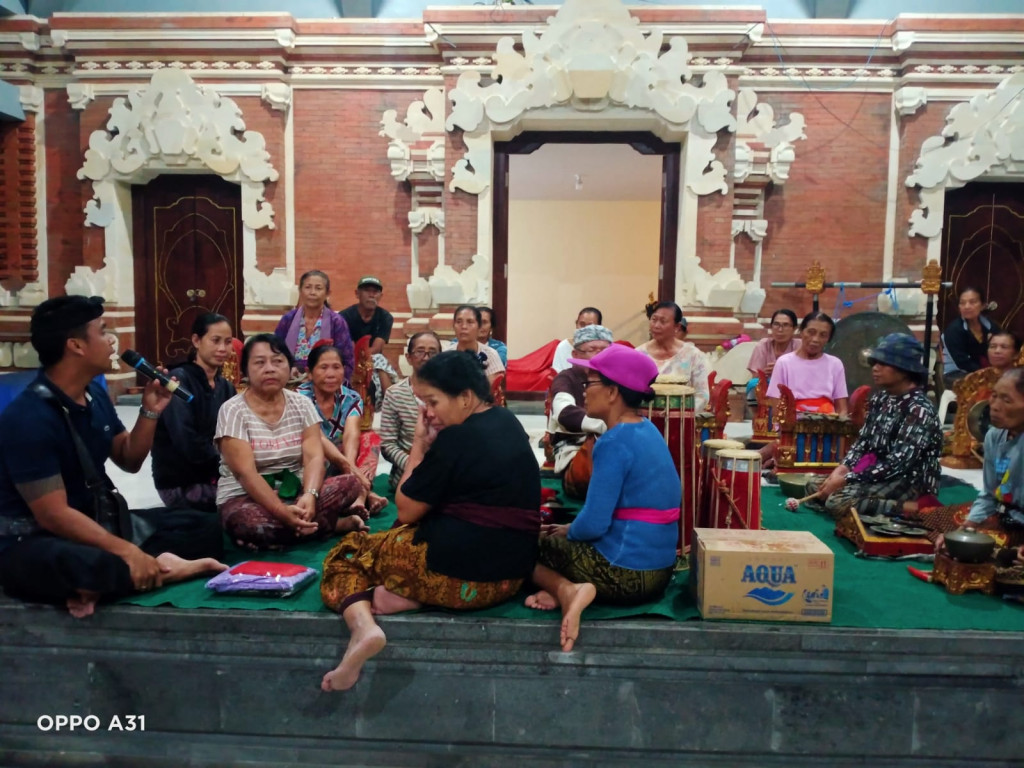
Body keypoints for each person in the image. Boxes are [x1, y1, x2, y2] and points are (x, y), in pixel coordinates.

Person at [319, 351, 541, 691]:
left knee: (347, 553)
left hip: (457, 579)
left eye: (433, 402)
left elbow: (406, 510)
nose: (430, 413)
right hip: (507, 582)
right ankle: (411, 597)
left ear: (466, 397)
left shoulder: (457, 437)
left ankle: (364, 627)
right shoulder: (507, 421)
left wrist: (420, 443)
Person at [0, 296, 226, 618]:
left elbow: (129, 458)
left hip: (97, 524)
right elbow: (54, 516)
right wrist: (128, 551)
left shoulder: (94, 393)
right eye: (103, 332)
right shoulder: (29, 417)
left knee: (205, 527)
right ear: (76, 345)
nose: (111, 341)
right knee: (89, 565)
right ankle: (159, 569)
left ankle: (123, 573)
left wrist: (151, 409)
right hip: (37, 539)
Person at [525, 344, 680, 652]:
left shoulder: (612, 441)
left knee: (521, 547)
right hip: (660, 571)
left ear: (612, 393)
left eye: (590, 382)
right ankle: (561, 590)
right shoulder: (647, 429)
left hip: (626, 574)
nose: (584, 389)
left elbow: (594, 524)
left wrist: (570, 531)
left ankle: (568, 591)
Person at [215, 334, 367, 550]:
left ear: (289, 367)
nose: (269, 368)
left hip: (297, 491)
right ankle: (327, 526)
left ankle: (283, 532)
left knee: (350, 483)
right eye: (259, 362)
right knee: (247, 522)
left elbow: (314, 457)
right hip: (245, 496)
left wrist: (310, 495)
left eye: (277, 361)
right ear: (245, 371)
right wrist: (280, 511)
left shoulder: (301, 403)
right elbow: (245, 474)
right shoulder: (232, 410)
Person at [805, 333, 942, 520]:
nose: (875, 369)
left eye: (883, 364)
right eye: (875, 363)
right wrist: (843, 468)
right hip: (875, 473)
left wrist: (847, 480)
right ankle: (857, 502)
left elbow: (897, 463)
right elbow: (863, 442)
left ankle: (915, 507)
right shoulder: (881, 398)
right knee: (814, 485)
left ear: (904, 369)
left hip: (907, 480)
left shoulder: (919, 409)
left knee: (837, 500)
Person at [933, 369, 1024, 566]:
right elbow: (990, 494)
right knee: (941, 521)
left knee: (1003, 561)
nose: (995, 407)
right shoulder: (994, 436)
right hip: (1004, 515)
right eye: (994, 396)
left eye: (1006, 401)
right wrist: (967, 527)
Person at [151, 313, 237, 513]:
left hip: (218, 473)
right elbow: (186, 442)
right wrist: (234, 468)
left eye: (228, 342)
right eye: (215, 341)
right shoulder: (177, 382)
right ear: (196, 341)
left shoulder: (226, 387)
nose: (222, 348)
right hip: (181, 481)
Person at [297, 342, 387, 518]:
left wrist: (350, 466)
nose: (331, 374)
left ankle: (359, 498)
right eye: (323, 367)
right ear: (310, 372)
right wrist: (350, 469)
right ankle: (366, 493)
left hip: (344, 459)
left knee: (370, 438)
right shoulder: (300, 397)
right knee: (315, 449)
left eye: (336, 367)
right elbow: (317, 438)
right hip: (315, 460)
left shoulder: (351, 397)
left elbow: (352, 434)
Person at [547, 324, 613, 499]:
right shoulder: (565, 378)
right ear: (575, 355)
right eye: (592, 349)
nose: (599, 355)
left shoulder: (614, 378)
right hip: (575, 450)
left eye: (604, 350)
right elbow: (564, 413)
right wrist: (606, 426)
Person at [379, 331, 442, 491]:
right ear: (409, 357)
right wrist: (413, 464)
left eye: (432, 352)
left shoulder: (450, 393)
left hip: (444, 471)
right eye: (420, 351)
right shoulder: (395, 393)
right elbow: (388, 444)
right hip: (408, 474)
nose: (426, 357)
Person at [274, 269, 355, 380]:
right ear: (300, 290)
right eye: (308, 287)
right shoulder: (288, 319)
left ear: (327, 293)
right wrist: (287, 369)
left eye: (318, 288)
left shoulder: (336, 322)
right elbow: (275, 352)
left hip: (325, 381)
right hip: (289, 379)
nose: (312, 292)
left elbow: (346, 360)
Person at [766, 311, 848, 415]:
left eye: (823, 335)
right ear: (801, 331)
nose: (815, 339)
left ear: (828, 339)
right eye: (811, 332)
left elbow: (842, 409)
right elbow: (776, 405)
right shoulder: (784, 363)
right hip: (792, 424)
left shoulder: (835, 364)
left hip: (828, 424)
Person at [636, 301, 710, 412]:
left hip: (680, 421)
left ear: (677, 326)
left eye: (663, 321)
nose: (656, 326)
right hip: (644, 420)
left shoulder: (693, 355)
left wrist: (678, 414)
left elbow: (702, 395)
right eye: (654, 319)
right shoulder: (638, 354)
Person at [339, 275, 397, 407]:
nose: (371, 295)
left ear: (380, 296)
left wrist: (367, 360)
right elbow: (350, 346)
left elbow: (378, 345)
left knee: (379, 360)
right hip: (350, 358)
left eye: (375, 292)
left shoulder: (385, 317)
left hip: (373, 360)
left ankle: (390, 404)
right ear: (357, 294)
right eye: (367, 291)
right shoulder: (344, 316)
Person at [943, 286, 1001, 384]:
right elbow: (962, 362)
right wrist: (988, 374)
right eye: (962, 303)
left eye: (972, 302)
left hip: (984, 370)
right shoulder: (954, 330)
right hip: (957, 373)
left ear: (982, 305)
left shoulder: (990, 325)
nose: (967, 306)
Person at [746, 309, 801, 404]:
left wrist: (781, 371)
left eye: (786, 325)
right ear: (771, 327)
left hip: (793, 388)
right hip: (767, 387)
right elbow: (755, 377)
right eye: (776, 324)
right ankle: (758, 415)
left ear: (794, 328)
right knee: (753, 384)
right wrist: (764, 373)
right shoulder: (763, 345)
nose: (780, 330)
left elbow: (805, 375)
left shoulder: (799, 347)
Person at [442, 305, 504, 383]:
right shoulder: (445, 356)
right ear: (453, 326)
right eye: (459, 322)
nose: (464, 326)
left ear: (479, 326)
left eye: (470, 322)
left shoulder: (490, 355)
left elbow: (490, 390)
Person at [552, 307, 602, 373]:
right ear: (576, 324)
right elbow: (557, 376)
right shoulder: (563, 346)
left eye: (590, 326)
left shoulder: (604, 349)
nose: (584, 329)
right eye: (582, 324)